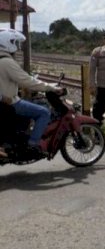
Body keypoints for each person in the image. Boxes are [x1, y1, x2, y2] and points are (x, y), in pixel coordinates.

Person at [0, 28, 63, 156]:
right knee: (44, 112)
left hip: (6, 100)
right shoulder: (6, 62)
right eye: (15, 42)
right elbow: (27, 81)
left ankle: (24, 135)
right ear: (7, 43)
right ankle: (33, 144)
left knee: (34, 105)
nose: (17, 47)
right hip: (11, 102)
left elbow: (22, 78)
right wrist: (51, 87)